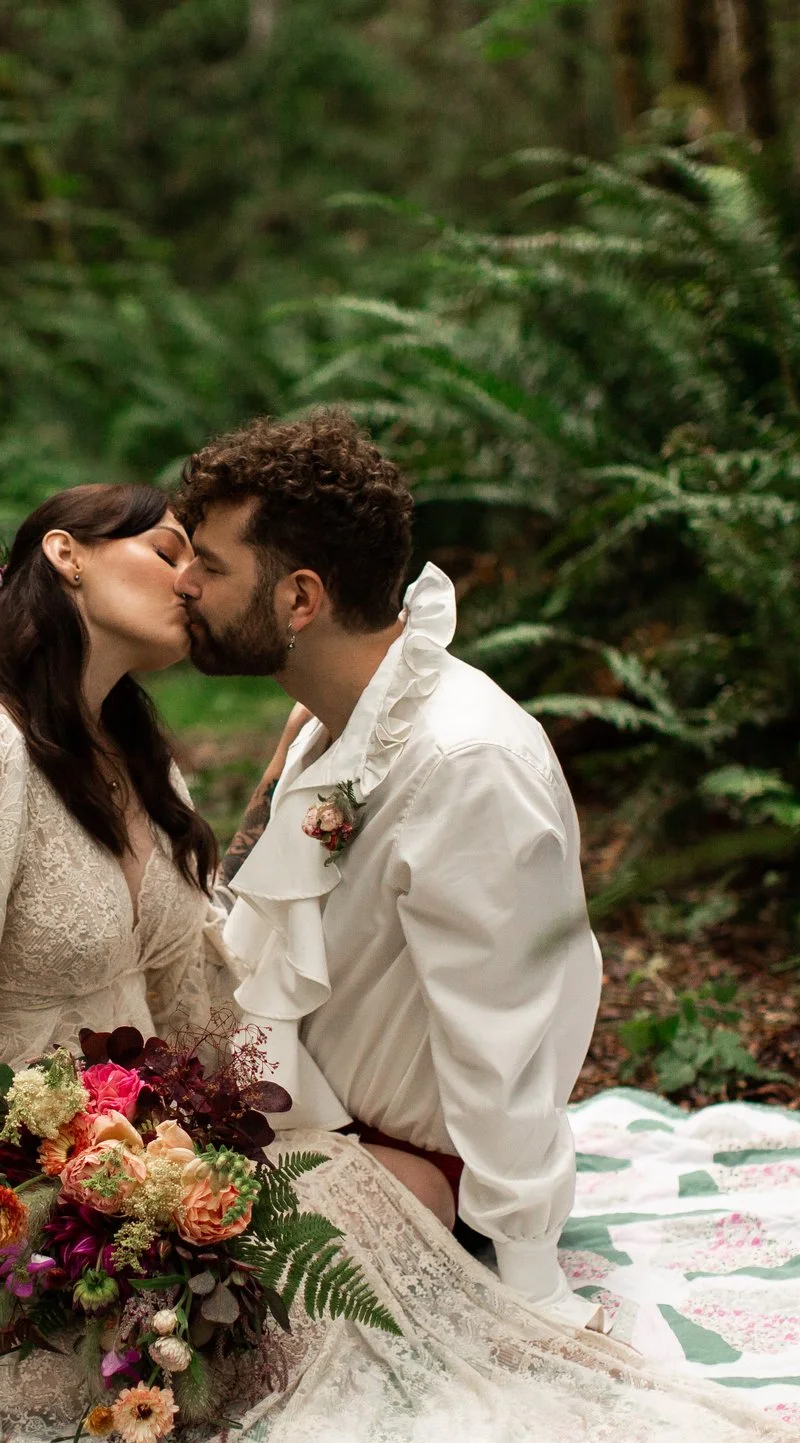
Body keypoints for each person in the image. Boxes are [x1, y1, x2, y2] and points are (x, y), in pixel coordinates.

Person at [0, 480, 800, 1443]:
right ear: (68, 555)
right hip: (9, 1190)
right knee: (255, 1303)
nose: (187, 580)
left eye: (204, 560)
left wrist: (267, 1147)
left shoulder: (138, 766)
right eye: (165, 547)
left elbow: (203, 1006)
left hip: (139, 1156)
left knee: (356, 1218)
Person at [170, 410, 603, 1329]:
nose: (183, 582)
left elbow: (503, 1037)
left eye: (209, 565)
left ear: (300, 600)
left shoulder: (464, 763)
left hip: (394, 1167)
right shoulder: (329, 720)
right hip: (284, 1123)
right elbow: (254, 926)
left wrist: (530, 1283)